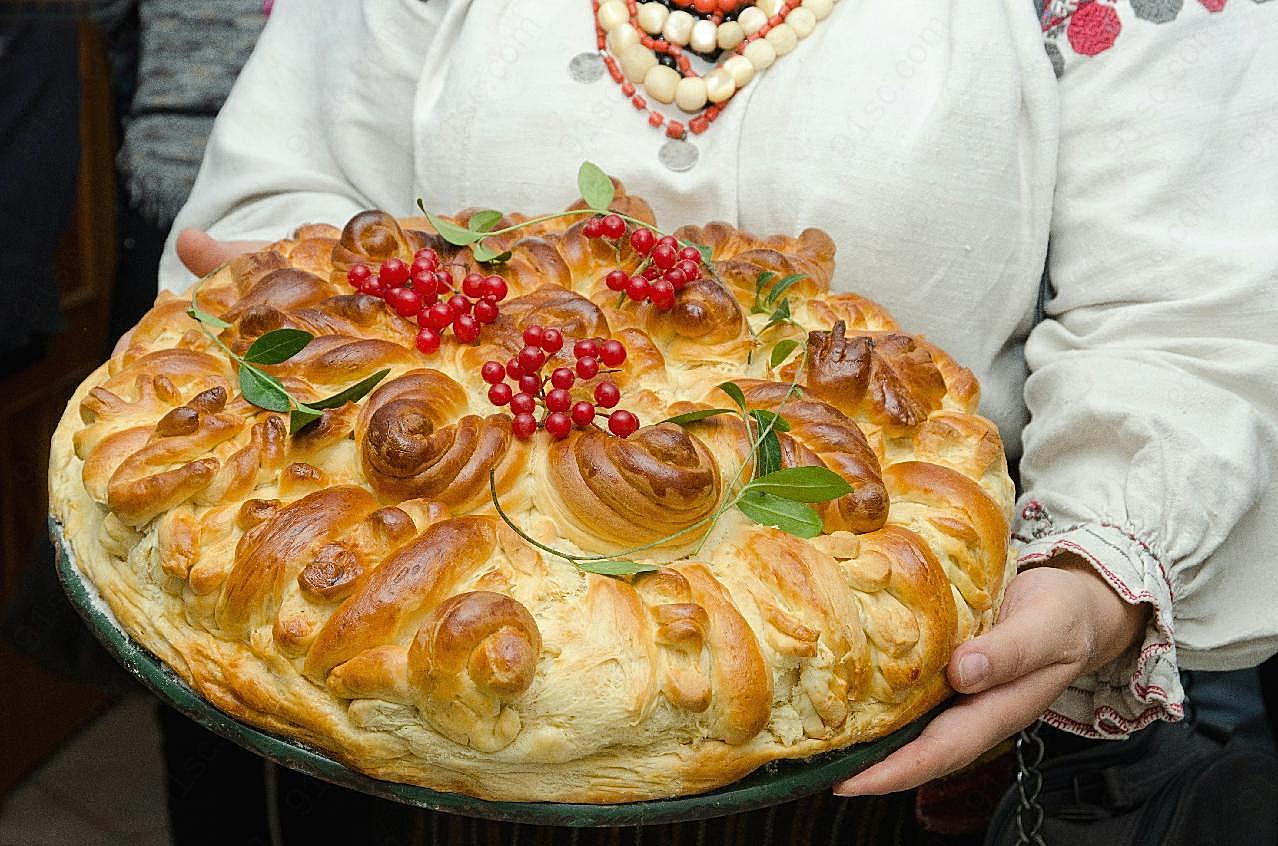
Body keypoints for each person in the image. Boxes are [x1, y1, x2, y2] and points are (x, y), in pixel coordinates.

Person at [157, 0, 1278, 840]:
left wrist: (1093, 569)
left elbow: (1192, 317)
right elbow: (296, 195)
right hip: (382, 676)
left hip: (884, 719)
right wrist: (290, 307)